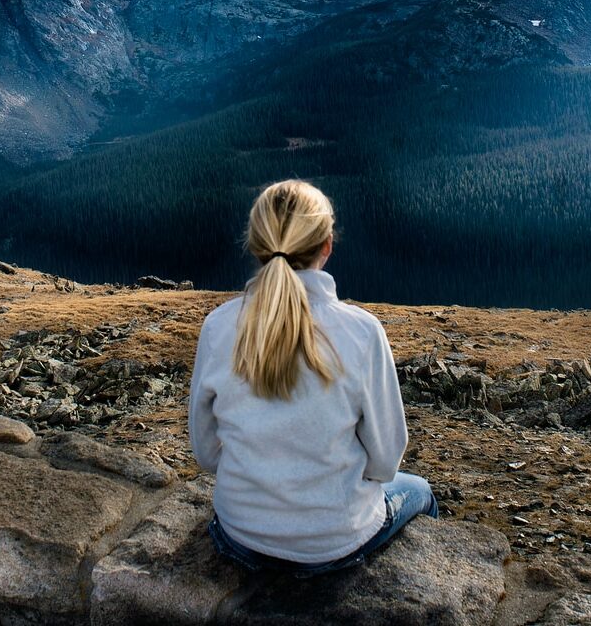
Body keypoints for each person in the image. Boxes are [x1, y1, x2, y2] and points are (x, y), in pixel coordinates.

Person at [187, 178, 439, 577]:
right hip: (334, 541)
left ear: (256, 244)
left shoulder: (219, 327)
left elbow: (206, 453)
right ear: (327, 246)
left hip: (240, 533)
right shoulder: (361, 332)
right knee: (421, 491)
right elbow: (386, 461)